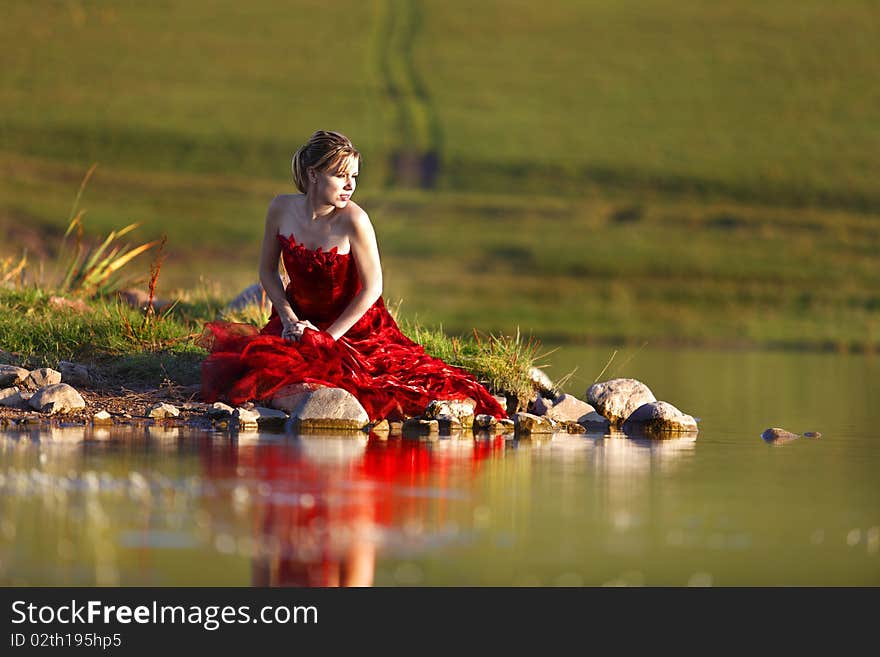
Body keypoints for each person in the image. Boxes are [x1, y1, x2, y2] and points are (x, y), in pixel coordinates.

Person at [201, 130, 507, 421]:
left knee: (386, 385)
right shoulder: (280, 208)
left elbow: (373, 288)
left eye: (354, 177)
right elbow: (267, 271)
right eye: (340, 175)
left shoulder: (355, 220)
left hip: (355, 328)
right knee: (258, 366)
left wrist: (327, 339)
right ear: (313, 175)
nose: (350, 185)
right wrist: (288, 317)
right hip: (297, 318)